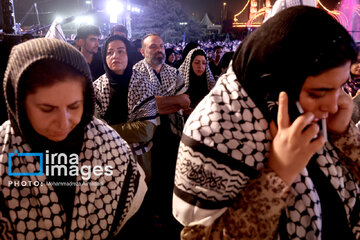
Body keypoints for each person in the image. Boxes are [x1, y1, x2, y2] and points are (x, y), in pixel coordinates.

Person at [173, 6, 360, 240]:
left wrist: (344, 136)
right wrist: (278, 174)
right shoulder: (216, 126)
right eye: (318, 92)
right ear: (277, 82)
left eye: (340, 86)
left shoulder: (322, 116)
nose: (333, 106)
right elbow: (198, 236)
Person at [0, 38, 147, 239]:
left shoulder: (115, 151)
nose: (63, 123)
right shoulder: (3, 153)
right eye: (47, 109)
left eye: (74, 106)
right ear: (18, 104)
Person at [127, 33, 190, 239]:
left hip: (171, 133)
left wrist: (159, 103)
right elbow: (143, 108)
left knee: (169, 175)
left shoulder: (173, 72)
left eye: (161, 46)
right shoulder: (136, 72)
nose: (159, 50)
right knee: (149, 177)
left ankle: (167, 216)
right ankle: (149, 219)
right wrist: (173, 101)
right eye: (153, 47)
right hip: (146, 135)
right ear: (142, 51)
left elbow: (185, 101)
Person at [93, 35, 152, 184]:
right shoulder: (97, 87)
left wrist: (107, 130)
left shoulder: (142, 84)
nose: (115, 56)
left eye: (121, 51)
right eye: (109, 52)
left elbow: (146, 129)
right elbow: (93, 129)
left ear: (129, 55)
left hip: (137, 156)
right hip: (105, 157)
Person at [178, 48, 216, 118]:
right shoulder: (179, 83)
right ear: (190, 64)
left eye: (204, 63)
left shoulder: (210, 84)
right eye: (197, 63)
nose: (200, 66)